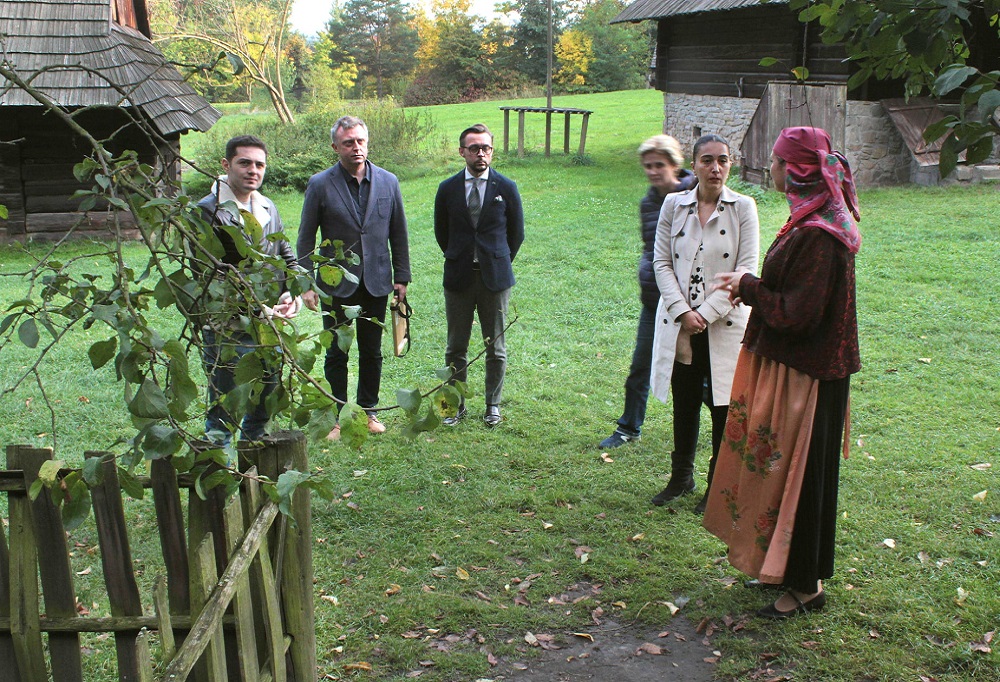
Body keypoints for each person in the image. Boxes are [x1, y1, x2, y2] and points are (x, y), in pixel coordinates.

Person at [703, 126, 861, 618]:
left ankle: (806, 586)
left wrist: (749, 286)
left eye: (773, 160)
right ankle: (779, 566)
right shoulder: (810, 219)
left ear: (794, 170)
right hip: (798, 370)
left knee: (801, 479)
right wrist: (749, 284)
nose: (768, 167)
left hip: (809, 380)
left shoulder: (819, 235)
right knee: (780, 475)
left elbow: (798, 314)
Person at [649, 134, 760, 511]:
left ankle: (717, 484)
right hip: (682, 323)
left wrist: (706, 314)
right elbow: (661, 262)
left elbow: (746, 270)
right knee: (684, 401)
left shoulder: (744, 208)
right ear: (693, 165)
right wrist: (683, 312)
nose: (715, 168)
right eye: (707, 160)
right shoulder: (673, 205)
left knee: (721, 405)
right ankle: (680, 476)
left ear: (731, 165)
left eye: (723, 161)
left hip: (724, 325)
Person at [297, 116, 411, 439]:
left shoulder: (389, 182)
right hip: (336, 284)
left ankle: (368, 411)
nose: (356, 147)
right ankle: (337, 414)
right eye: (348, 143)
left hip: (376, 281)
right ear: (336, 147)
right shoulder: (320, 184)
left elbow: (398, 234)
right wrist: (306, 283)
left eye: (360, 141)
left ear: (367, 142)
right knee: (337, 352)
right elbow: (305, 239)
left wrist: (401, 277)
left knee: (372, 351)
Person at [197, 135, 303, 444]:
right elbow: (211, 276)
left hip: (270, 325)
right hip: (228, 327)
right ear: (226, 165)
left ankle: (254, 459)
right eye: (244, 163)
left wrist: (291, 293)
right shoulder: (208, 211)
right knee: (227, 404)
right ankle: (222, 474)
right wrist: (258, 309)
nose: (252, 170)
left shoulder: (267, 206)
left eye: (259, 164)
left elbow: (286, 255)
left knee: (266, 396)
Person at [598, 134, 696, 449]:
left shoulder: (696, 197)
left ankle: (736, 423)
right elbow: (650, 248)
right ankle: (628, 428)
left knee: (699, 376)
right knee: (640, 366)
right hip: (655, 301)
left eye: (659, 165)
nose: (653, 172)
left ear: (674, 164)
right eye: (647, 166)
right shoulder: (648, 202)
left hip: (692, 306)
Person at [434, 124, 524, 427]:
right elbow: (441, 233)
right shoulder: (447, 189)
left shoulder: (506, 187)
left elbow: (517, 234)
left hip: (495, 280)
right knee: (455, 346)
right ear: (462, 152)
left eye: (485, 148)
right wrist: (461, 256)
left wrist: (497, 261)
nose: (480, 153)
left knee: (495, 346)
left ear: (492, 151)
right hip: (459, 278)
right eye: (474, 148)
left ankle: (492, 405)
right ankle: (453, 407)